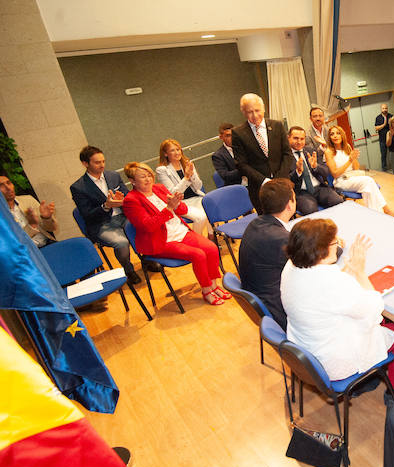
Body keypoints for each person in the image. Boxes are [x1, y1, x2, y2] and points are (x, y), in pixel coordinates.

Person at [281, 218, 394, 404]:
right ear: (320, 251)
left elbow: (324, 298)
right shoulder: (331, 282)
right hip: (334, 361)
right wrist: (359, 271)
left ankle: (367, 380)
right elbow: (375, 308)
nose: (336, 245)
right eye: (334, 242)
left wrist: (347, 273)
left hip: (306, 348)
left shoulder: (290, 267)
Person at [122, 162, 227, 305]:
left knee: (212, 248)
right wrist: (169, 208)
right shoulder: (131, 201)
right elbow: (148, 226)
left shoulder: (158, 188)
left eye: (149, 175)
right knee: (198, 255)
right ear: (132, 181)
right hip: (161, 240)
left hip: (180, 231)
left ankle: (214, 285)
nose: (148, 179)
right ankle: (207, 290)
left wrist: (177, 203)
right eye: (142, 177)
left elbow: (182, 210)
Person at [70, 145, 141, 284]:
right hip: (102, 224)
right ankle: (128, 270)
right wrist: (106, 206)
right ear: (85, 164)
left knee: (145, 226)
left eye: (103, 161)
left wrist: (123, 200)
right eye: (97, 162)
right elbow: (87, 214)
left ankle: (148, 259)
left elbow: (128, 196)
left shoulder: (113, 175)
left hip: (123, 217)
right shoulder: (78, 187)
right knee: (121, 242)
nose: (102, 165)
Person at [238, 178, 297, 329]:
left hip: (261, 296)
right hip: (280, 310)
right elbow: (315, 259)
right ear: (289, 205)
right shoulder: (280, 238)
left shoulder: (255, 224)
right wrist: (336, 244)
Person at [231, 93, 294, 211]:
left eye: (257, 110)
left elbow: (287, 154)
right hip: (259, 188)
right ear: (243, 112)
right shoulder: (238, 133)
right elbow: (241, 164)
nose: (255, 115)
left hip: (282, 183)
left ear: (264, 109)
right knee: (268, 224)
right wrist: (264, 181)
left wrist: (279, 179)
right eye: (250, 112)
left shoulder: (277, 126)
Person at [324, 126, 394, 216]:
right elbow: (335, 174)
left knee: (368, 186)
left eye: (338, 133)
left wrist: (354, 158)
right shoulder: (329, 152)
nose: (335, 136)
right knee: (368, 181)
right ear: (329, 137)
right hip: (341, 180)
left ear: (342, 135)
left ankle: (376, 214)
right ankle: (385, 210)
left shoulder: (347, 147)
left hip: (352, 177)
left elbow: (356, 168)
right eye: (332, 134)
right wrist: (350, 160)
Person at [155, 138, 211, 238]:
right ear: (165, 154)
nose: (177, 153)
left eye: (178, 149)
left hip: (197, 198)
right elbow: (173, 193)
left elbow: (198, 186)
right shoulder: (162, 170)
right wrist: (186, 177)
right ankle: (199, 240)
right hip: (181, 203)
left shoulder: (187, 163)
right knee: (201, 217)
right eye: (172, 150)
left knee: (211, 211)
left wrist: (192, 175)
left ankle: (212, 236)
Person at [286, 126, 342, 215]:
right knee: (311, 210)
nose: (299, 141)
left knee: (338, 201)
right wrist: (297, 172)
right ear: (288, 138)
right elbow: (286, 180)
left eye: (302, 139)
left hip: (319, 188)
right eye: (296, 138)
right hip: (301, 192)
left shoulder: (311, 151)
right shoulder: (284, 157)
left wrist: (316, 166)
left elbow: (326, 171)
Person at [1, 171, 56, 247]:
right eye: (1, 186)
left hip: (47, 244)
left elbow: (52, 228)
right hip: (25, 254)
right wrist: (31, 226)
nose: (8, 188)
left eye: (8, 183)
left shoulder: (27, 200)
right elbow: (14, 242)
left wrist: (47, 218)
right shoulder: (2, 214)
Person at [374, 103, 390, 171]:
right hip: (382, 140)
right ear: (381, 109)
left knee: (393, 153)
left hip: (391, 139)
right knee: (383, 155)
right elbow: (376, 128)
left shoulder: (391, 116)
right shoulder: (378, 117)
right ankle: (384, 169)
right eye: (383, 108)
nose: (385, 110)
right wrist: (384, 124)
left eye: (386, 108)